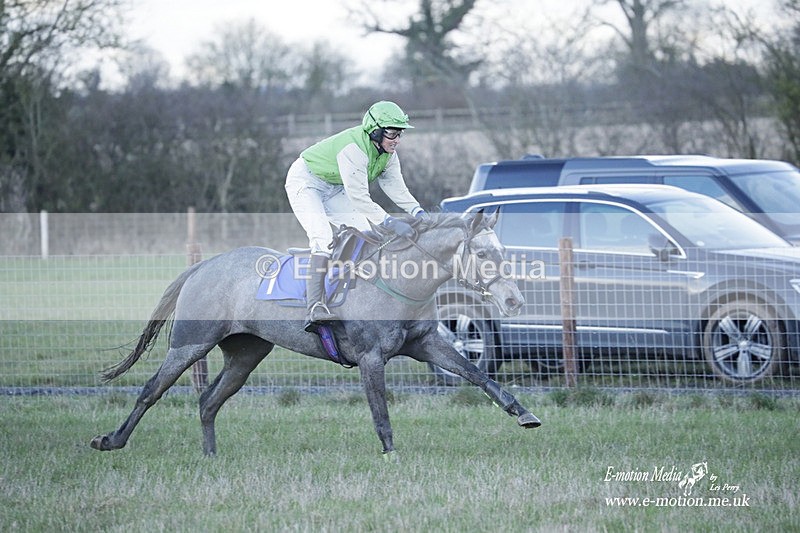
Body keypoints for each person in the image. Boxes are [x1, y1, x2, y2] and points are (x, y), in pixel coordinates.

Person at [285, 101, 428, 332]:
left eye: (399, 133)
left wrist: (418, 211)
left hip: (333, 187)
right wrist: (389, 222)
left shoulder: (388, 154)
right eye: (392, 133)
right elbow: (360, 197)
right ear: (375, 130)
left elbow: (396, 188)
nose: (397, 139)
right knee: (322, 237)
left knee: (365, 232)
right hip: (306, 181)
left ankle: (350, 293)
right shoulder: (355, 149)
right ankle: (315, 306)